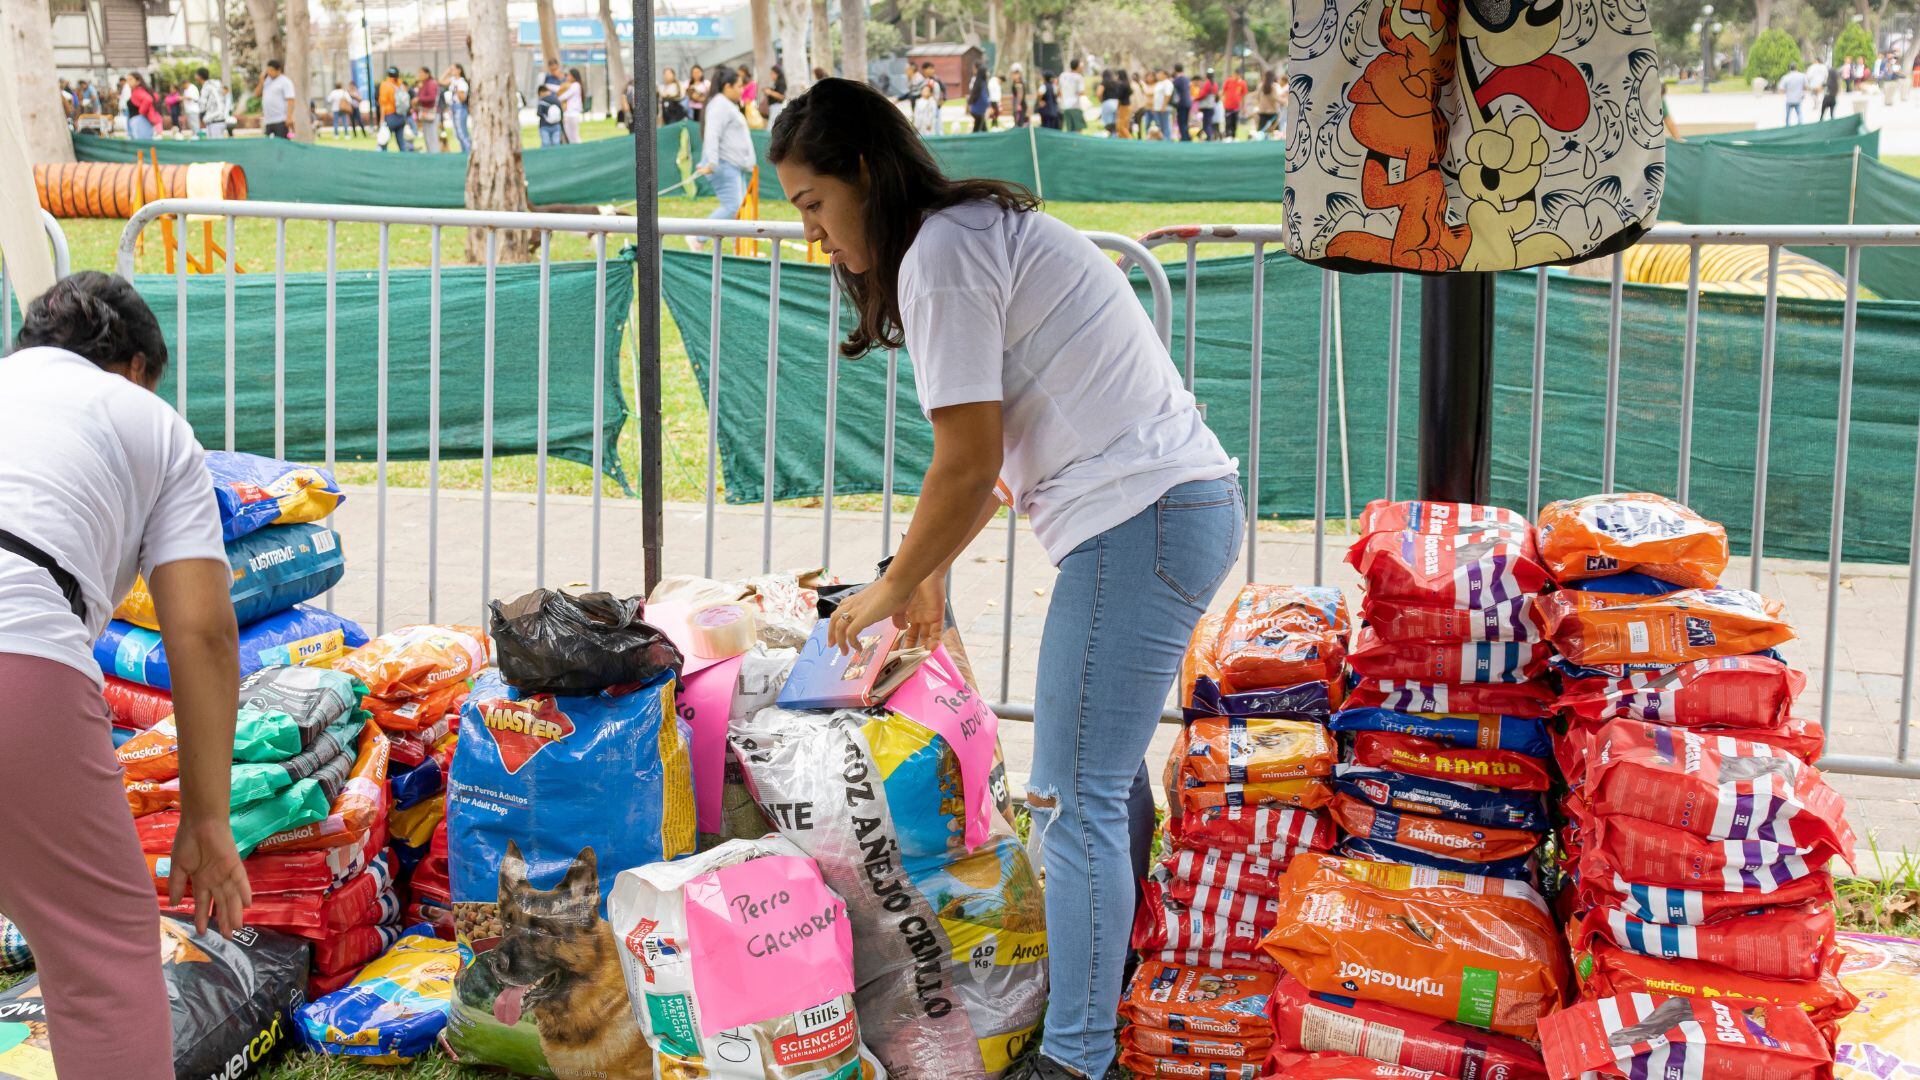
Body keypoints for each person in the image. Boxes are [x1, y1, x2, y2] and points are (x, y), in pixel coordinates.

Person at [768, 78, 1240, 1080]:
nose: (812, 236)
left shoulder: (939, 253)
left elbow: (969, 459)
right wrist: (927, 568)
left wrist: (895, 583)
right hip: (1167, 511)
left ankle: (1074, 1059)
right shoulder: (970, 231)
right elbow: (990, 460)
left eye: (813, 204)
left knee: (1070, 797)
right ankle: (1102, 1007)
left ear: (861, 172)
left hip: (1140, 520)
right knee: (1099, 790)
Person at [1, 271, 250, 1080]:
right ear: (137, 367)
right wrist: (207, 822)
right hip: (18, 642)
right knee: (102, 955)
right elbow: (204, 632)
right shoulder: (150, 420)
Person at [693, 65, 754, 248]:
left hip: (734, 165)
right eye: (739, 86)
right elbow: (712, 134)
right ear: (727, 86)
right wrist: (712, 162)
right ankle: (697, 238)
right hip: (724, 164)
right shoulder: (720, 105)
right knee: (733, 207)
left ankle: (740, 246)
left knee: (740, 209)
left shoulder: (725, 105)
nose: (742, 90)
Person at [259, 58, 295, 138]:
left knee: (282, 146)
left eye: (271, 70)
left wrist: (289, 117)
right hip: (268, 120)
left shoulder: (285, 81)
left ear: (278, 70)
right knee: (269, 146)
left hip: (281, 120)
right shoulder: (267, 81)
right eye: (268, 70)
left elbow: (291, 100)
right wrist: (261, 81)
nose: (269, 73)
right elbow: (257, 94)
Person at [378, 67, 411, 150]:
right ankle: (405, 159)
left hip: (390, 116)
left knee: (383, 141)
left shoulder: (385, 85)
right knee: (401, 142)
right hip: (401, 116)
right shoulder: (400, 84)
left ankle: (383, 160)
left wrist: (381, 120)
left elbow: (383, 104)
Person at [413, 67, 440, 152]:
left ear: (427, 74)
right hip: (425, 113)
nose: (419, 75)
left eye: (421, 73)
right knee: (427, 137)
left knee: (432, 137)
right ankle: (430, 155)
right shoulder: (424, 84)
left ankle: (435, 155)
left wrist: (419, 99)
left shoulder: (431, 83)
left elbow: (432, 97)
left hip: (432, 113)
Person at [126, 73, 160, 140]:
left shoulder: (138, 91)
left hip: (140, 122)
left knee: (142, 146)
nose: (128, 82)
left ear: (138, 81)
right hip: (140, 122)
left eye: (131, 79)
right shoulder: (140, 90)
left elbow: (149, 99)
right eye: (127, 80)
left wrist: (142, 111)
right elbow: (155, 97)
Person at [444, 65, 470, 151]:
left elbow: (462, 98)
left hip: (460, 108)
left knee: (462, 132)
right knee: (457, 133)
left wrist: (457, 89)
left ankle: (468, 150)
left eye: (453, 69)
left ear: (459, 70)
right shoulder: (453, 81)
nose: (451, 70)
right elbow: (440, 81)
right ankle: (464, 151)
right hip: (453, 108)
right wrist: (447, 72)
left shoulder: (461, 82)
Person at [196, 69, 229, 138]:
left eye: (196, 75)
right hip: (221, 119)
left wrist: (201, 118)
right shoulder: (216, 85)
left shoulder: (206, 88)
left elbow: (202, 106)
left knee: (215, 145)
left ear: (199, 76)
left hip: (213, 121)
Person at [1252, 68, 1283, 137]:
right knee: (1276, 135)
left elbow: (1257, 97)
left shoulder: (1261, 86)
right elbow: (1277, 98)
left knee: (1261, 134)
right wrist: (1285, 101)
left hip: (1262, 112)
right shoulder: (1275, 86)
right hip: (1273, 113)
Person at [536, 78, 565, 146]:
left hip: (544, 126)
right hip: (556, 125)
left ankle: (545, 156)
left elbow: (539, 113)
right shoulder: (556, 99)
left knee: (545, 144)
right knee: (556, 143)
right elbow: (561, 113)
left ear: (541, 92)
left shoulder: (542, 101)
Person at [1059, 58, 1086, 133]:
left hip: (1065, 106)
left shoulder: (1063, 75)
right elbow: (1081, 92)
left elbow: (1059, 91)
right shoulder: (1079, 77)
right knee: (1078, 129)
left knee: (1069, 129)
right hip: (1075, 106)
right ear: (1078, 66)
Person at [560, 67, 584, 144]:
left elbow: (563, 97)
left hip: (572, 114)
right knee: (571, 137)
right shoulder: (573, 85)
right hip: (570, 113)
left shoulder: (575, 85)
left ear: (574, 76)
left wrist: (556, 96)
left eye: (569, 75)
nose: (567, 77)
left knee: (574, 136)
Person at [1193, 68, 1218, 140]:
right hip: (1211, 106)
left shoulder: (1207, 83)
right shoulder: (1214, 84)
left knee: (1207, 124)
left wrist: (1195, 99)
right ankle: (1207, 136)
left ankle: (1209, 137)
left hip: (1207, 107)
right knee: (1207, 123)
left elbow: (1203, 94)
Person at [1222, 67, 1247, 139]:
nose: (1237, 76)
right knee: (1228, 121)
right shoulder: (1228, 81)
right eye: (1236, 74)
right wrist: (1222, 102)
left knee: (1235, 122)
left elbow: (1244, 96)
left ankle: (1234, 136)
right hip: (1227, 105)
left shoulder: (1242, 83)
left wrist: (1243, 107)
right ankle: (1227, 136)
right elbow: (1223, 92)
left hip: (1236, 107)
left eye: (1238, 75)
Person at [1152, 68, 1175, 140]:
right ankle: (1160, 139)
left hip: (1165, 108)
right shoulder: (1158, 83)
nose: (1158, 75)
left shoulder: (1167, 83)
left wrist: (1163, 106)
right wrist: (1153, 106)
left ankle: (1167, 139)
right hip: (1157, 108)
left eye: (1160, 73)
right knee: (1159, 125)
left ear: (1165, 75)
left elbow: (1167, 95)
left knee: (1165, 125)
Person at [1171, 63, 1192, 140]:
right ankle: (1186, 136)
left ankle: (1184, 137)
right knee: (1186, 121)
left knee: (1181, 121)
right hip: (1188, 102)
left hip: (1181, 103)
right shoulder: (1187, 79)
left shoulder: (1176, 80)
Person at [968, 63, 990, 132]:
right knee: (977, 129)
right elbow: (984, 97)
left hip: (977, 109)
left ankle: (986, 139)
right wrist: (989, 105)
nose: (988, 73)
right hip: (978, 110)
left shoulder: (979, 82)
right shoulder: (981, 83)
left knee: (982, 127)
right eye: (986, 72)